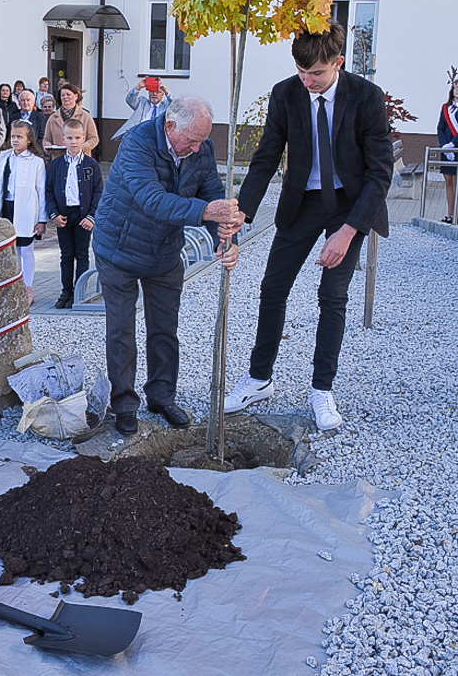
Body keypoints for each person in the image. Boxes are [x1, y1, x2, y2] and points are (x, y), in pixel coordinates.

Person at [221, 22, 393, 431]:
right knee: (272, 288)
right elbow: (265, 157)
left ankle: (321, 390)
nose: (307, 81)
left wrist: (349, 231)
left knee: (332, 298)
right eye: (301, 72)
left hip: (348, 206)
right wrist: (242, 211)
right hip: (301, 203)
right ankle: (259, 379)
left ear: (338, 62)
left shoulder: (367, 97)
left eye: (315, 73)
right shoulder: (286, 94)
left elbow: (380, 173)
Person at [93, 95, 240, 436]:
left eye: (203, 141)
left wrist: (226, 239)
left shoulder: (198, 149)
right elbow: (152, 200)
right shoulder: (136, 144)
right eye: (191, 140)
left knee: (164, 330)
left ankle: (161, 396)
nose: (197, 147)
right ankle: (124, 404)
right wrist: (206, 212)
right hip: (118, 249)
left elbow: (212, 195)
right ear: (170, 126)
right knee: (121, 332)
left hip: (164, 252)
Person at [0, 120, 47, 306]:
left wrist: (42, 219)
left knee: (25, 249)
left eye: (19, 137)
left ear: (29, 140)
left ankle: (28, 286)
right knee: (8, 250)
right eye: (13, 136)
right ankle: (12, 286)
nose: (15, 140)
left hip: (26, 209)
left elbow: (41, 190)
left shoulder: (36, 162)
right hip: (6, 206)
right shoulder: (2, 157)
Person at [46, 119, 103, 309]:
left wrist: (91, 217)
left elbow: (98, 192)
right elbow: (49, 191)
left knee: (82, 255)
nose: (74, 142)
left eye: (77, 138)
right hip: (64, 215)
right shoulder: (56, 165)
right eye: (69, 138)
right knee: (66, 255)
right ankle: (66, 291)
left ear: (84, 138)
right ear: (63, 139)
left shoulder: (91, 165)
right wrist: (53, 213)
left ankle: (79, 292)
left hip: (83, 216)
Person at [43, 83, 99, 158]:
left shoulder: (86, 116)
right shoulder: (52, 118)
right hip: (59, 159)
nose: (65, 97)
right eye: (63, 95)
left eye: (68, 94)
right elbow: (46, 139)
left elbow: (94, 139)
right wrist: (47, 145)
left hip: (80, 159)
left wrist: (81, 147)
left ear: (76, 96)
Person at [437, 79, 458, 223]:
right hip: (447, 151)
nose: (457, 90)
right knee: (448, 182)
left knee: (457, 183)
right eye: (456, 87)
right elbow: (440, 128)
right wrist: (445, 146)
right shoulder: (446, 108)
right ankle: (450, 214)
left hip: (456, 148)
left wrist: (453, 144)